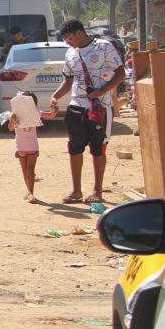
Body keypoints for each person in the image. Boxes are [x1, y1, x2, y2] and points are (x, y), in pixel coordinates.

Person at [49, 19, 125, 205]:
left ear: (79, 33)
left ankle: (97, 191)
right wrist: (55, 97)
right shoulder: (70, 54)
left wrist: (102, 91)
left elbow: (121, 73)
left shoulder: (104, 47)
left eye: (68, 38)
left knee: (98, 148)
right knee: (74, 147)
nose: (67, 42)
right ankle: (76, 191)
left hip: (100, 106)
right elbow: (67, 81)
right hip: (76, 106)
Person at [8, 92, 58, 203]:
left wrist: (12, 120)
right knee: (30, 169)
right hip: (32, 145)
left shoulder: (15, 114)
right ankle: (30, 192)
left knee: (25, 170)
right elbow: (51, 115)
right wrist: (54, 110)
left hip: (21, 146)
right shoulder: (35, 113)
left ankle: (29, 192)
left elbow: (10, 128)